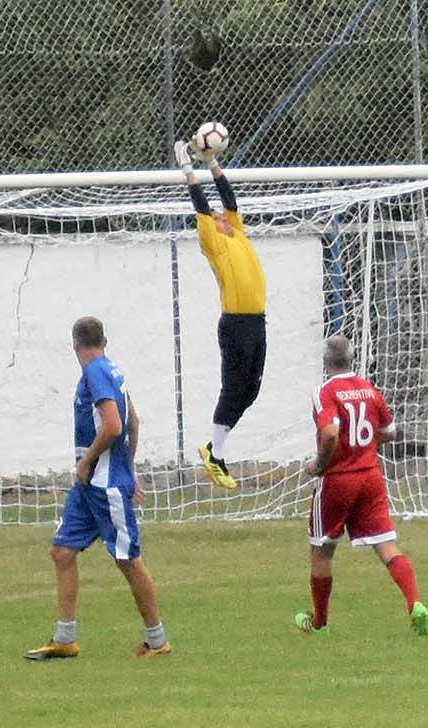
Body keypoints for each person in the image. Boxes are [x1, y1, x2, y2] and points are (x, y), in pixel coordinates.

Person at [25, 317, 172, 660]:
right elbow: (134, 422)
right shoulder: (112, 371)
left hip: (104, 486)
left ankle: (157, 639)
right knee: (62, 552)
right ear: (104, 341)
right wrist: (128, 469)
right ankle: (65, 639)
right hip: (89, 485)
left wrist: (88, 461)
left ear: (75, 345)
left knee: (128, 560)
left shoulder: (95, 373)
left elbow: (114, 426)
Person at [294, 335, 428, 635]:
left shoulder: (325, 391)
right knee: (387, 547)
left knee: (322, 551)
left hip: (338, 481)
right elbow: (390, 432)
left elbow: (330, 434)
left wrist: (319, 465)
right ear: (353, 359)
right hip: (370, 478)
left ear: (325, 362)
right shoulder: (370, 389)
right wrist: (365, 446)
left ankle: (320, 623)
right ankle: (415, 603)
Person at [175, 138, 268, 490]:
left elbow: (229, 199)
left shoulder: (238, 233)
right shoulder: (213, 242)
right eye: (215, 217)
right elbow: (202, 206)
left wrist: (212, 163)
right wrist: (189, 170)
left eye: (221, 215)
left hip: (257, 321)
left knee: (251, 392)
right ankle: (216, 456)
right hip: (236, 324)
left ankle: (215, 448)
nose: (220, 216)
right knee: (233, 390)